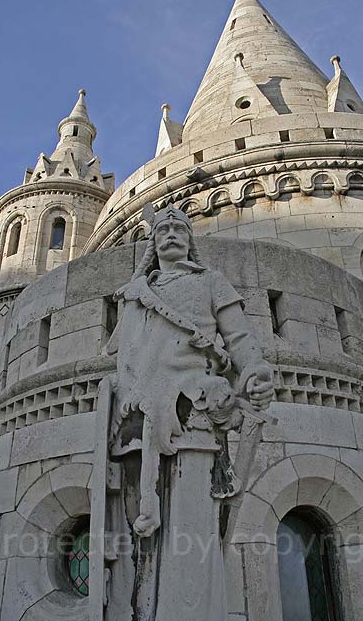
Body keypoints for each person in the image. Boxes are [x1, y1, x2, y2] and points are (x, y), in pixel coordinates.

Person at [102, 205, 273, 621]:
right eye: (163, 230)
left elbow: (240, 339)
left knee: (193, 527)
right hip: (136, 424)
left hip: (193, 413)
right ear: (153, 242)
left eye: (180, 228)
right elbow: (120, 355)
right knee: (138, 541)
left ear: (190, 239)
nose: (171, 234)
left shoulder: (210, 282)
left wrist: (254, 370)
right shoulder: (136, 294)